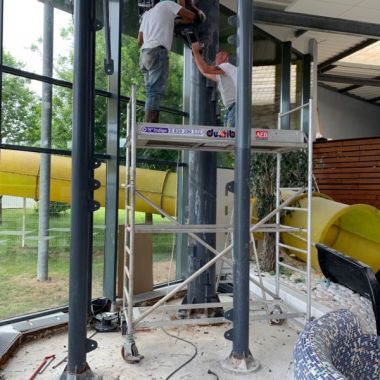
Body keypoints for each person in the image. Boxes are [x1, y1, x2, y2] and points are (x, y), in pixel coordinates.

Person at [137, 1, 195, 123]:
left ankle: (148, 122)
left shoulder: (146, 15)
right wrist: (176, 21)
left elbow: (139, 41)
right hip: (157, 50)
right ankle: (150, 125)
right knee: (155, 91)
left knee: (150, 91)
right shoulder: (168, 4)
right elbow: (191, 16)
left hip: (144, 54)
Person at [191, 42, 237, 128]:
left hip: (235, 108)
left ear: (224, 56)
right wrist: (196, 56)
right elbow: (204, 72)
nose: (215, 61)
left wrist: (196, 52)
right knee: (228, 137)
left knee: (231, 138)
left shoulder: (226, 66)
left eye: (217, 58)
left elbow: (206, 69)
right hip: (232, 108)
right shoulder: (225, 73)